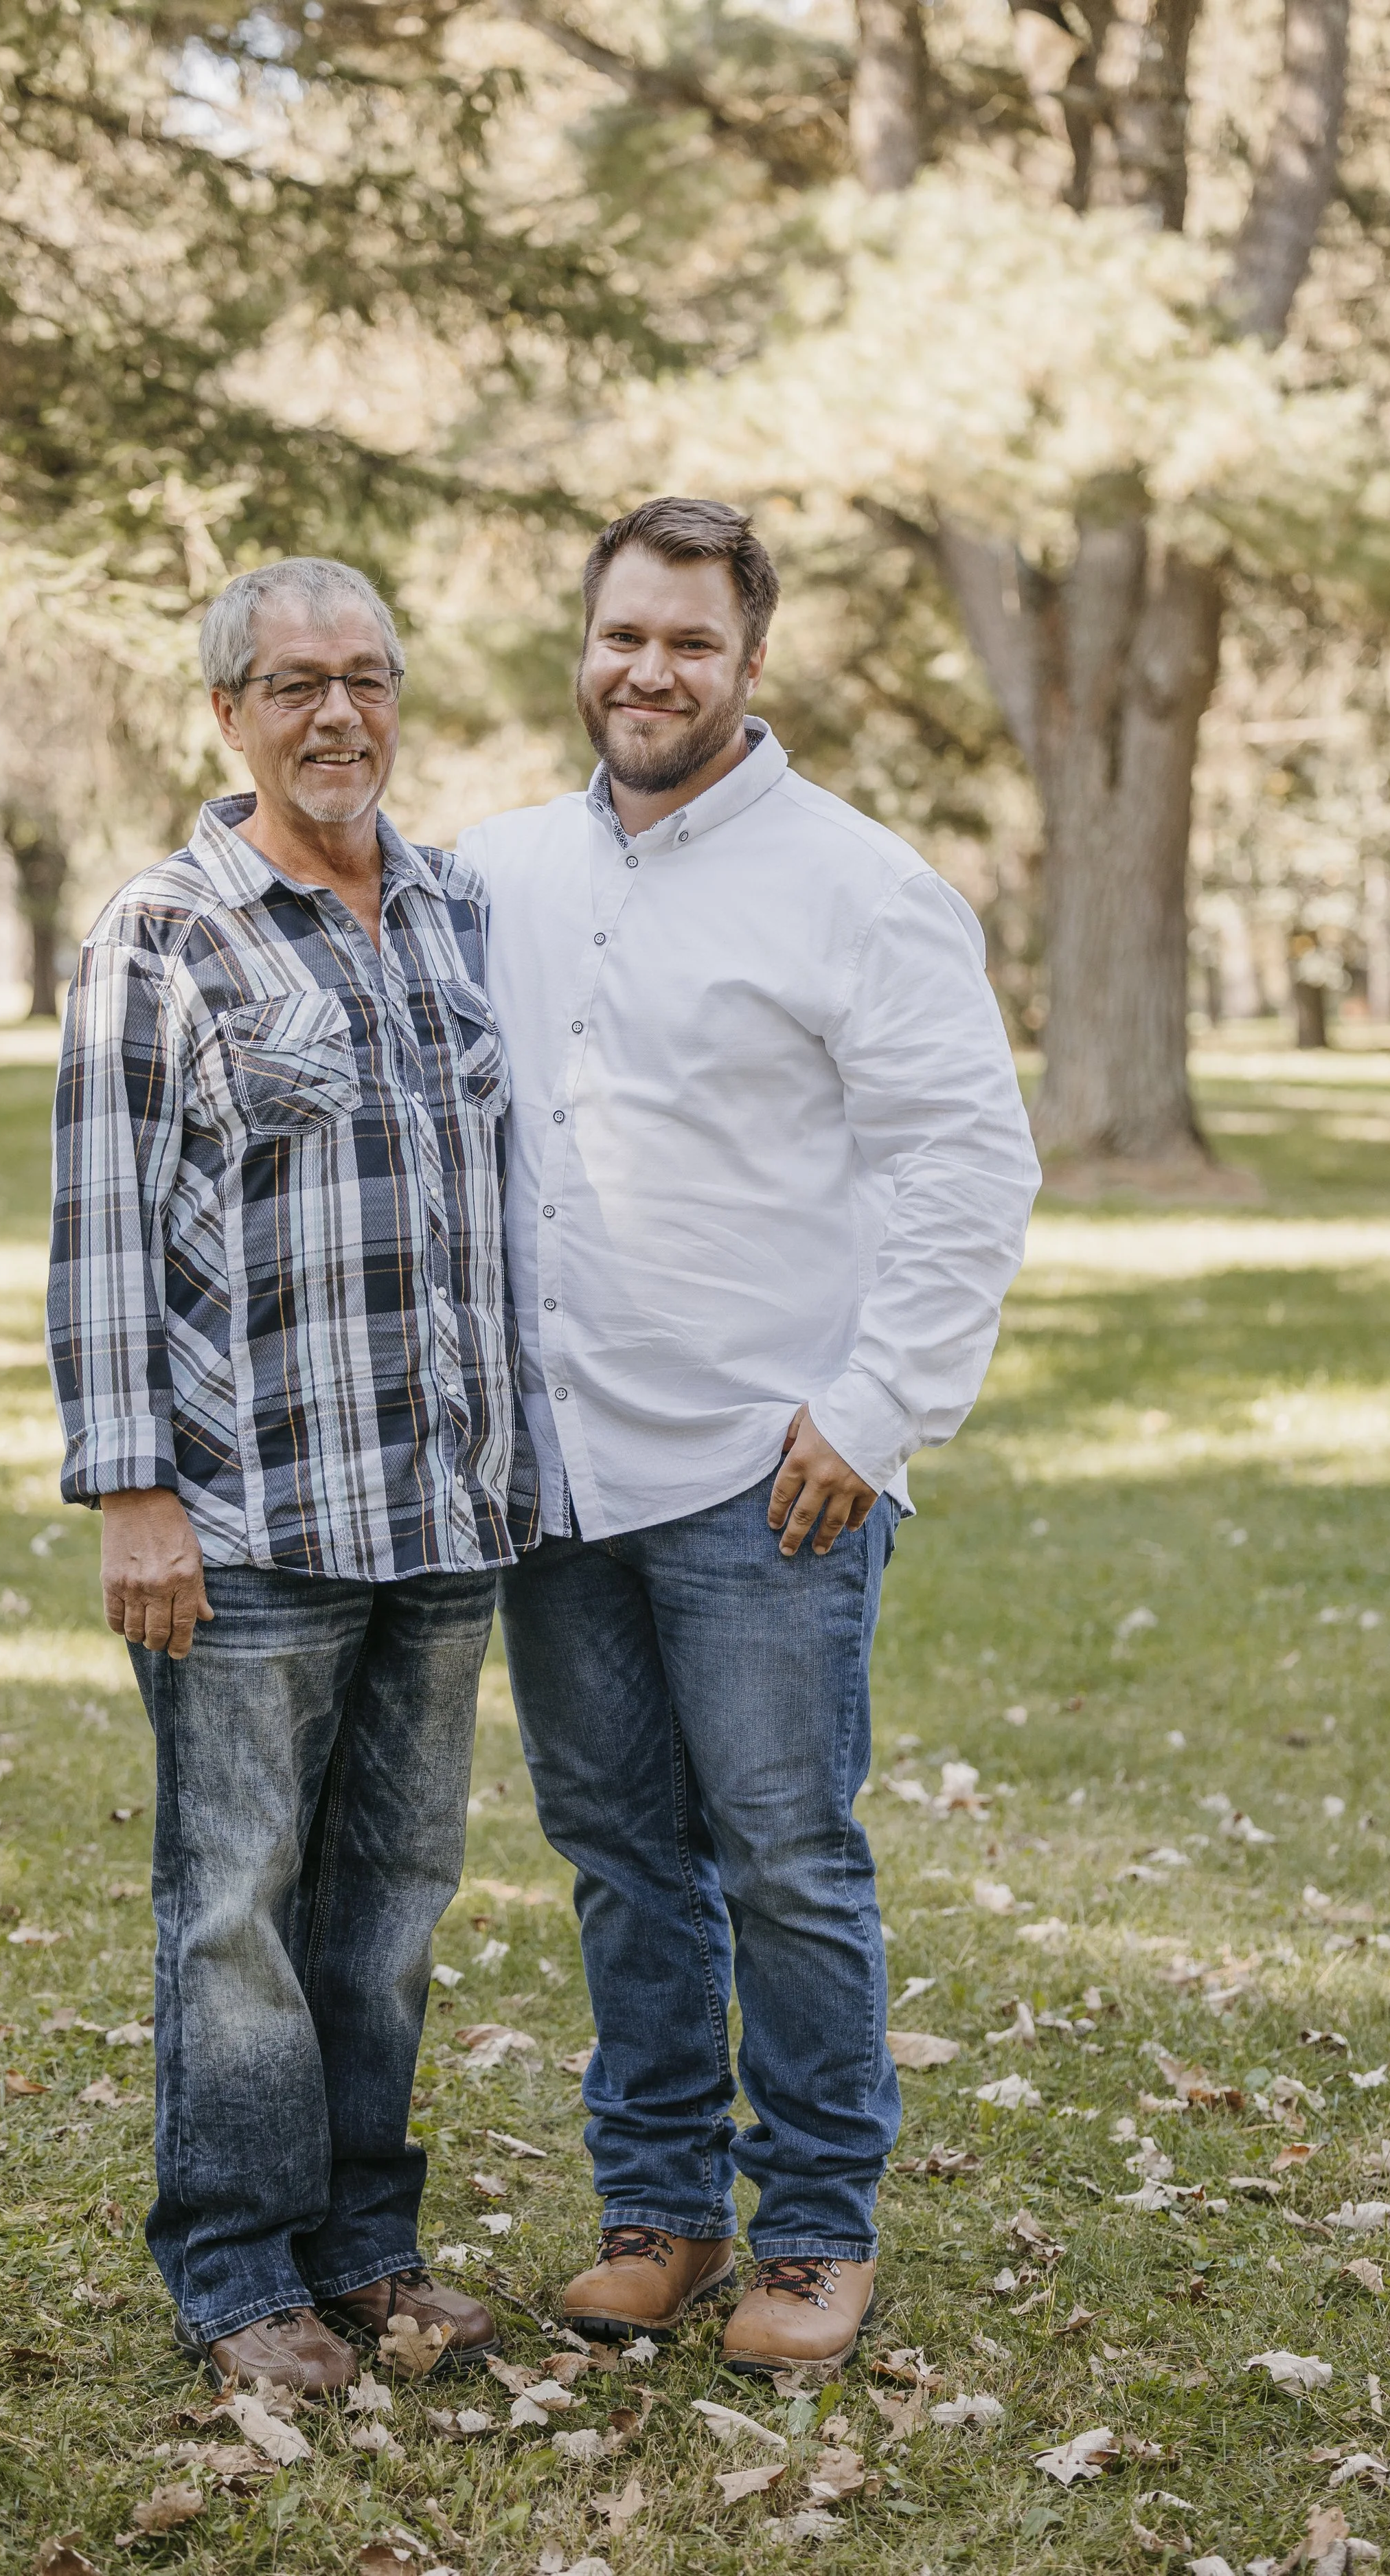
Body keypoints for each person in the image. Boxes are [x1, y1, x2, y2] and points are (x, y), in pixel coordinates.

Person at [460, 497, 1040, 2374]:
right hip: (554, 1473)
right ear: (586, 643)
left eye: (687, 643)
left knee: (783, 1854)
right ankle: (657, 2212)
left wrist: (871, 1412)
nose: (647, 671)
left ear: (749, 664)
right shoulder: (496, 872)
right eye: (622, 635)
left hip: (765, 1469)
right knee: (621, 1851)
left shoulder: (856, 884)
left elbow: (968, 1165)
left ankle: (812, 2228)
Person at [45, 556, 534, 2393]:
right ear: (226, 712)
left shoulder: (458, 909)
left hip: (439, 1506)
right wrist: (132, 1493)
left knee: (392, 1899)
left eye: (367, 676)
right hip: (246, 1516)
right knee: (234, 1904)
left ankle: (367, 2242)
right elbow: (99, 1235)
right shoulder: (161, 933)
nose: (338, 713)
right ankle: (237, 2264)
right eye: (294, 683)